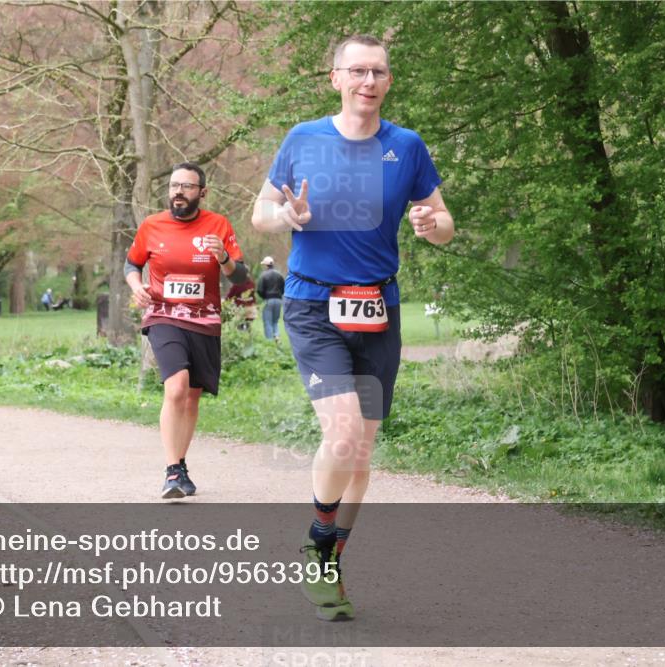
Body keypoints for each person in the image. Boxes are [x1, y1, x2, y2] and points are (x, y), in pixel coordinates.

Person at [251, 35, 454, 620]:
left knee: (360, 454)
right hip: (314, 306)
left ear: (389, 81)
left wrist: (429, 223)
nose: (369, 81)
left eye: (379, 72)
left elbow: (445, 222)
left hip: (378, 310)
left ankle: (331, 560)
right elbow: (261, 213)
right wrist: (285, 215)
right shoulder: (303, 139)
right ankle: (316, 545)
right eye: (358, 71)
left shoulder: (406, 147)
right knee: (341, 435)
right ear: (335, 77)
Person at [126, 162, 248, 499]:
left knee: (192, 397)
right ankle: (171, 471)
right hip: (163, 315)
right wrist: (136, 284)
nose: (178, 192)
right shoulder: (152, 226)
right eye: (174, 185)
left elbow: (240, 278)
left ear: (202, 192)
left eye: (187, 186)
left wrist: (223, 257)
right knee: (176, 388)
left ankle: (180, 464)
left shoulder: (218, 225)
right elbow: (132, 263)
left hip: (205, 319)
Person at [256, 256, 285, 340]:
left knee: (268, 322)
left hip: (268, 300)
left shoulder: (263, 275)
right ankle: (277, 336)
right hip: (279, 300)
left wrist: (264, 297)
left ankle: (269, 341)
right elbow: (283, 288)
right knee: (275, 321)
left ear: (266, 265)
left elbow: (259, 290)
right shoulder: (279, 275)